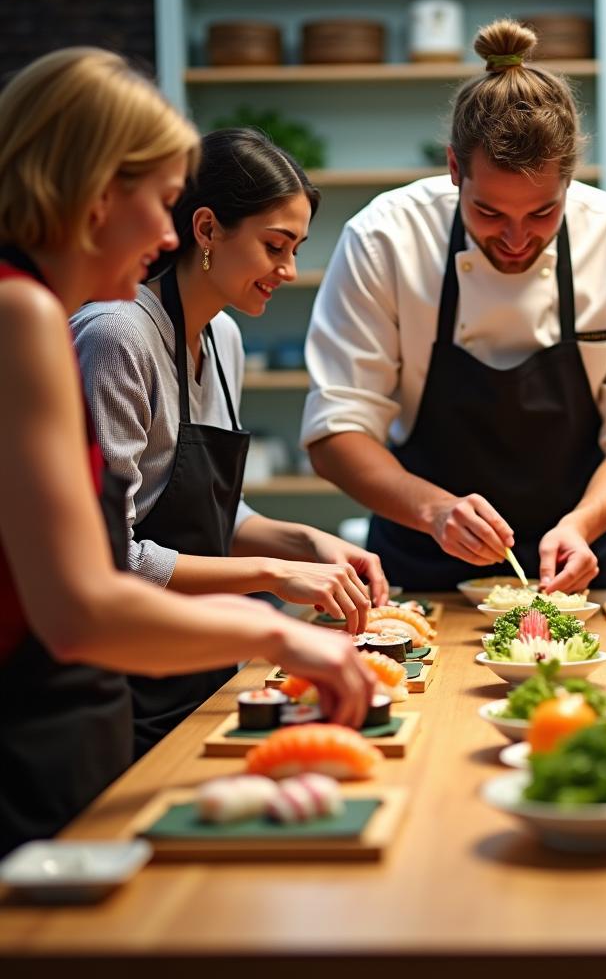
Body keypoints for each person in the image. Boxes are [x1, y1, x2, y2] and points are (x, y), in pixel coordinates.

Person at [0, 48, 372, 855]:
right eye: (163, 201)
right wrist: (272, 618)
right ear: (96, 192)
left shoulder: (205, 334)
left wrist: (299, 545)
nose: (167, 231)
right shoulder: (48, 317)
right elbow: (85, 597)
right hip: (53, 716)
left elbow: (178, 513)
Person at [301, 19, 606, 593]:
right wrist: (435, 511)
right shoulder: (386, 238)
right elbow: (337, 432)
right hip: (417, 561)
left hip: (576, 561)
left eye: (541, 214)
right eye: (489, 213)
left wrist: (583, 523)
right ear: (455, 168)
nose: (514, 240)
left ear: (569, 180)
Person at [71, 128, 388, 758]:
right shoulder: (117, 337)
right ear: (208, 229)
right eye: (275, 246)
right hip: (125, 682)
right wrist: (273, 575)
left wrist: (306, 543)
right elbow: (111, 556)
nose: (289, 271)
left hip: (205, 668)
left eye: (295, 249)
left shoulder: (224, 341)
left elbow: (212, 512)